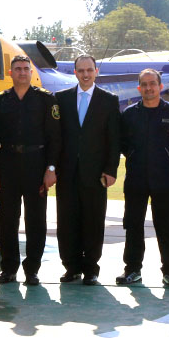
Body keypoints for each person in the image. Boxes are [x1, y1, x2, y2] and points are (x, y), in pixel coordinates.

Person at [0, 55, 60, 286]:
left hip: (36, 164)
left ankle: (32, 270)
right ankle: (9, 269)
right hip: (7, 164)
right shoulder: (0, 101)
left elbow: (55, 138)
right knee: (8, 220)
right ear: (11, 73)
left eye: (25, 69)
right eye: (17, 69)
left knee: (36, 220)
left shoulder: (45, 100)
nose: (22, 72)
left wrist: (51, 168)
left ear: (31, 72)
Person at [117, 69, 169, 289]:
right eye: (144, 84)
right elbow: (123, 144)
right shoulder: (129, 114)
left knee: (167, 228)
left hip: (164, 180)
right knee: (133, 225)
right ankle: (132, 270)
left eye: (152, 84)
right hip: (135, 179)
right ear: (139, 88)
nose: (148, 88)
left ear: (160, 86)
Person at [54, 55, 119, 286]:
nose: (85, 74)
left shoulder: (109, 100)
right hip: (66, 172)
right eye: (81, 70)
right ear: (75, 73)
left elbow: (114, 139)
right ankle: (71, 267)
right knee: (67, 221)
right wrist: (52, 167)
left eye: (89, 70)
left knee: (93, 221)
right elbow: (56, 137)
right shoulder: (61, 99)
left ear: (96, 71)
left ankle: (91, 268)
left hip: (96, 173)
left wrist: (111, 170)